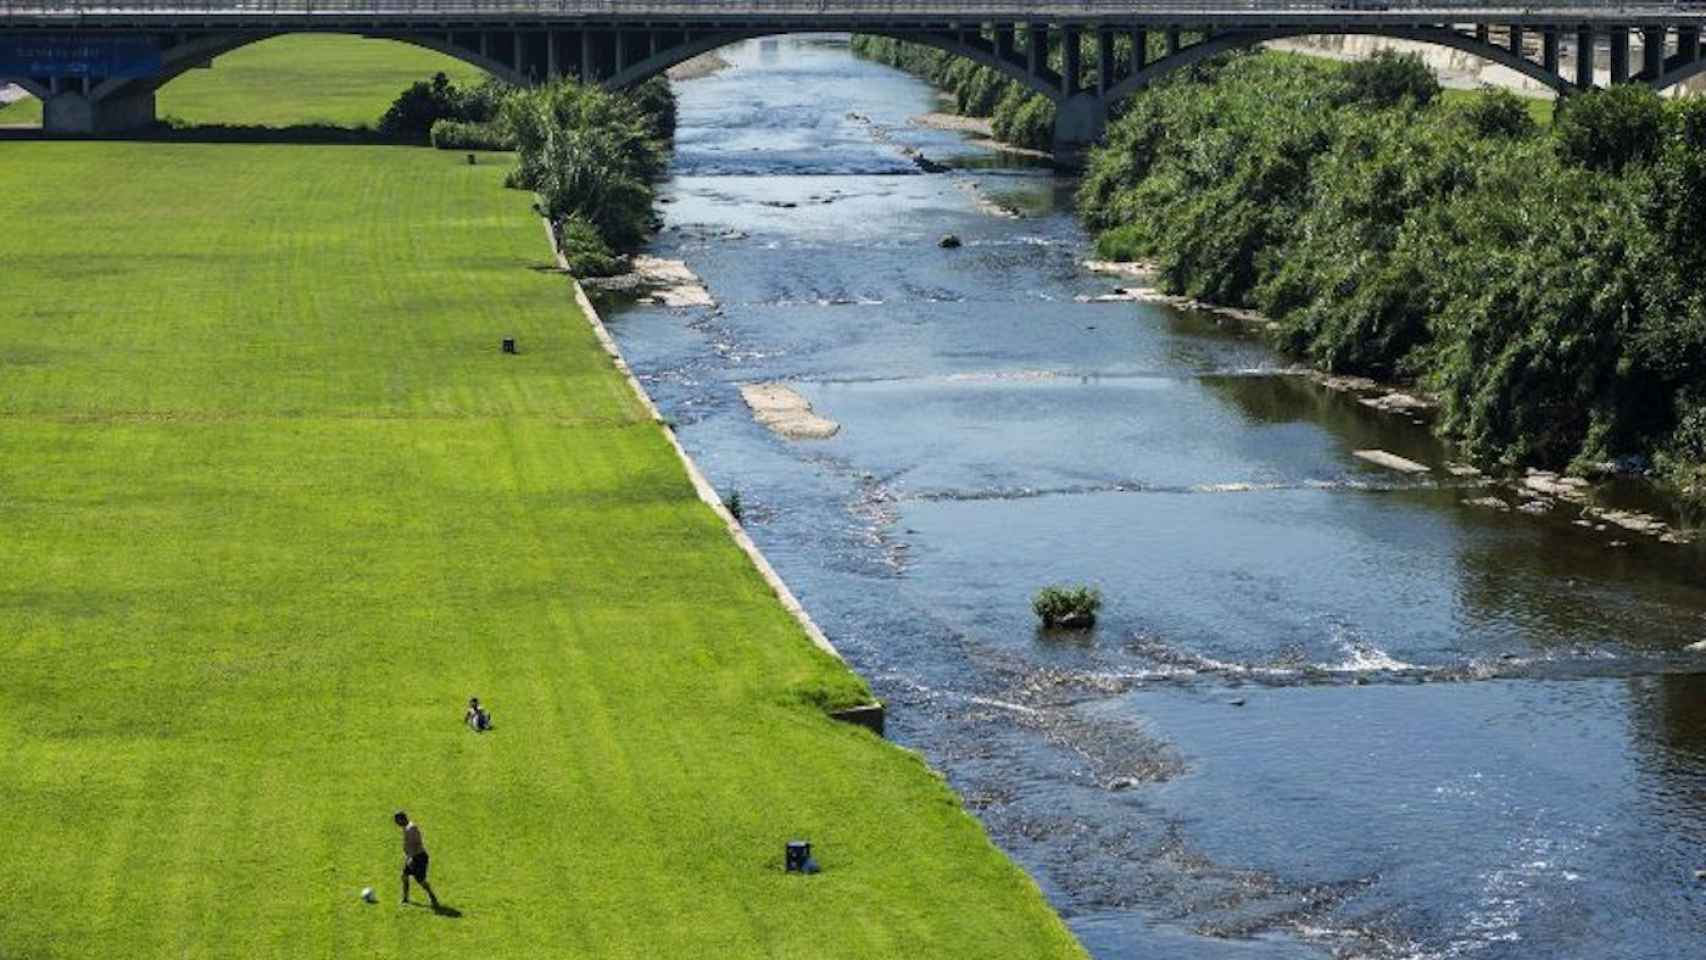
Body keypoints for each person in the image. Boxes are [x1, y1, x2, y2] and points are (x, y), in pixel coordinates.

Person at [394, 810, 440, 908]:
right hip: (411, 857)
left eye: (397, 820)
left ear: (402, 819)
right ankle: (405, 898)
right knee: (404, 876)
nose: (396, 823)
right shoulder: (406, 828)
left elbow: (417, 843)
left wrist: (411, 857)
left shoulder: (412, 828)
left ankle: (432, 897)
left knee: (421, 881)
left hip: (419, 858)